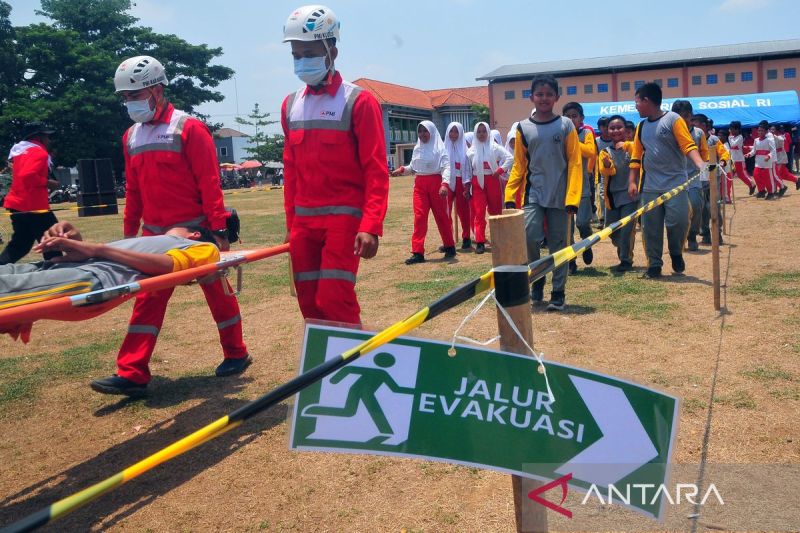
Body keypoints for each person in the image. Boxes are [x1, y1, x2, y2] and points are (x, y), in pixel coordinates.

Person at [104, 55, 251, 396]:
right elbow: (134, 191)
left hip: (195, 232)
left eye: (133, 96)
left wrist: (218, 232)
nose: (129, 103)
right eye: (125, 98)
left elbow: (209, 183)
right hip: (154, 236)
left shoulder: (188, 128)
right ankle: (132, 372)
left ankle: (236, 352)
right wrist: (130, 240)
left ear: (156, 90)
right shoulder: (130, 137)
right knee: (148, 299)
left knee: (217, 291)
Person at [281, 5, 389, 324]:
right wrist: (290, 225)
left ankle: (355, 368)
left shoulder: (358, 101)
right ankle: (322, 371)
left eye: (310, 53)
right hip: (303, 223)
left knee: (333, 296)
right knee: (308, 301)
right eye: (297, 55)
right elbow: (291, 172)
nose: (302, 61)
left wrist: (370, 225)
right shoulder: (290, 106)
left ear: (333, 51)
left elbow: (375, 169)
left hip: (343, 218)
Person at [504, 74, 582, 311]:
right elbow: (519, 164)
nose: (544, 98)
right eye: (540, 94)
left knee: (560, 244)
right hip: (534, 194)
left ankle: (558, 292)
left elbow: (575, 163)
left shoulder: (566, 125)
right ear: (532, 97)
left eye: (549, 94)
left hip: (561, 196)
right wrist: (509, 195)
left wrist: (573, 198)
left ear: (556, 97)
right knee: (529, 235)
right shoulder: (523, 128)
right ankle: (537, 279)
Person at [628, 83, 704, 279]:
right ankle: (654, 264)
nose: (635, 106)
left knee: (678, 222)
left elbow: (688, 145)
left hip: (676, 184)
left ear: (646, 100)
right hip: (650, 186)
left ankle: (676, 252)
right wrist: (632, 181)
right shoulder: (641, 126)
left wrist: (701, 165)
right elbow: (636, 157)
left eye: (637, 101)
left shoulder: (673, 119)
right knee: (650, 228)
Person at [392, 121, 455, 264]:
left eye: (425, 131)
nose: (422, 134)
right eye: (420, 131)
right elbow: (413, 167)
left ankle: (449, 245)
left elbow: (446, 167)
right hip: (420, 185)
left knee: (442, 217)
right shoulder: (417, 149)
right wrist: (402, 170)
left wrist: (444, 184)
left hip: (436, 184)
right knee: (419, 218)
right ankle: (417, 252)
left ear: (431, 132)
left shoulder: (440, 149)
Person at [1, 122, 61, 265]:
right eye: (47, 136)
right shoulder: (39, 152)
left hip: (17, 204)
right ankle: (57, 269)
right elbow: (27, 176)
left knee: (20, 244)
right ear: (38, 137)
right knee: (52, 238)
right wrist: (49, 183)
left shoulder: (20, 153)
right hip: (34, 206)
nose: (49, 140)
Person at [598, 115, 638, 272]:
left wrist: (627, 145)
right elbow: (606, 172)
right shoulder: (604, 152)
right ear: (607, 131)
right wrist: (608, 165)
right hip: (612, 198)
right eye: (612, 128)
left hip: (630, 196)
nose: (615, 130)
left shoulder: (632, 147)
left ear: (625, 129)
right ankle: (623, 250)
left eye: (619, 127)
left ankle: (626, 260)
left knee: (627, 229)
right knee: (611, 230)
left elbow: (638, 157)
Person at [467, 122, 513, 255]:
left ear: (488, 132)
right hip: (477, 183)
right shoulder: (470, 151)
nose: (481, 134)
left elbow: (510, 158)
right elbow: (467, 170)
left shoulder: (495, 147)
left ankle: (498, 239)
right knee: (479, 212)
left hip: (492, 180)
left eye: (484, 131)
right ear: (475, 134)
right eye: (479, 132)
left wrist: (500, 170)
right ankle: (480, 242)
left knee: (496, 210)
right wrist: (467, 185)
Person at [562, 102, 597, 273]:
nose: (570, 119)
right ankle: (571, 261)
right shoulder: (558, 135)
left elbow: (590, 152)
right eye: (567, 116)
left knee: (583, 223)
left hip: (582, 187)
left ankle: (586, 244)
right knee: (566, 228)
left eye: (574, 116)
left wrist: (573, 140)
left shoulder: (586, 133)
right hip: (563, 189)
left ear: (581, 118)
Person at [671, 100, 708, 252]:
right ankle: (677, 238)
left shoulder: (699, 133)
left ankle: (692, 235)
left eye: (686, 116)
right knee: (677, 212)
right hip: (673, 179)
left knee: (696, 205)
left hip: (694, 177)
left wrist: (705, 177)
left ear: (691, 116)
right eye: (679, 117)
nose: (683, 120)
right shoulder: (669, 132)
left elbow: (705, 154)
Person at [692, 114, 729, 244]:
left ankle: (717, 233)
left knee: (714, 206)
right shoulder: (693, 139)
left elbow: (724, 152)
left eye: (696, 124)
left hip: (713, 178)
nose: (694, 127)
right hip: (699, 178)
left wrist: (723, 161)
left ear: (704, 125)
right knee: (702, 208)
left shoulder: (713, 139)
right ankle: (705, 233)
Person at [444, 122, 473, 249]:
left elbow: (468, 168)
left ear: (461, 133)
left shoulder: (466, 150)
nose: (453, 134)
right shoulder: (443, 148)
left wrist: (467, 185)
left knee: (464, 211)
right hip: (448, 182)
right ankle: (448, 239)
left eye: (456, 131)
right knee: (445, 211)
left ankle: (466, 238)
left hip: (461, 181)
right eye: (451, 131)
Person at [746, 120, 778, 200]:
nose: (760, 132)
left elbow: (773, 150)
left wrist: (769, 156)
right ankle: (761, 191)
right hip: (758, 162)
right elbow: (754, 151)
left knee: (767, 178)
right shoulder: (756, 140)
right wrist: (749, 154)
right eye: (759, 130)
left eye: (762, 130)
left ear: (766, 131)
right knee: (756, 175)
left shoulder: (769, 139)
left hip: (767, 163)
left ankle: (771, 193)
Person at [727, 121, 757, 196]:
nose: (731, 130)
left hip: (739, 159)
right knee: (730, 175)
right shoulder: (732, 137)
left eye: (732, 129)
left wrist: (730, 135)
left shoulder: (740, 137)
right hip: (732, 159)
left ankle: (752, 184)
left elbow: (733, 144)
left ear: (737, 129)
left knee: (742, 175)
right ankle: (727, 193)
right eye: (730, 129)